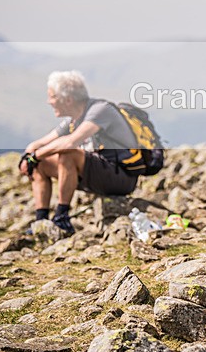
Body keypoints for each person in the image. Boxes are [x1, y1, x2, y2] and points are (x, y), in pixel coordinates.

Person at [19, 71, 138, 235]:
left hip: (121, 176)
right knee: (40, 164)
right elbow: (39, 143)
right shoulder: (73, 120)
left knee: (67, 153)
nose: (49, 102)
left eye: (52, 97)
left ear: (68, 99)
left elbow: (70, 142)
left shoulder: (100, 110)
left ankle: (62, 218)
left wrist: (35, 155)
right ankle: (41, 222)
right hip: (98, 172)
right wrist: (28, 157)